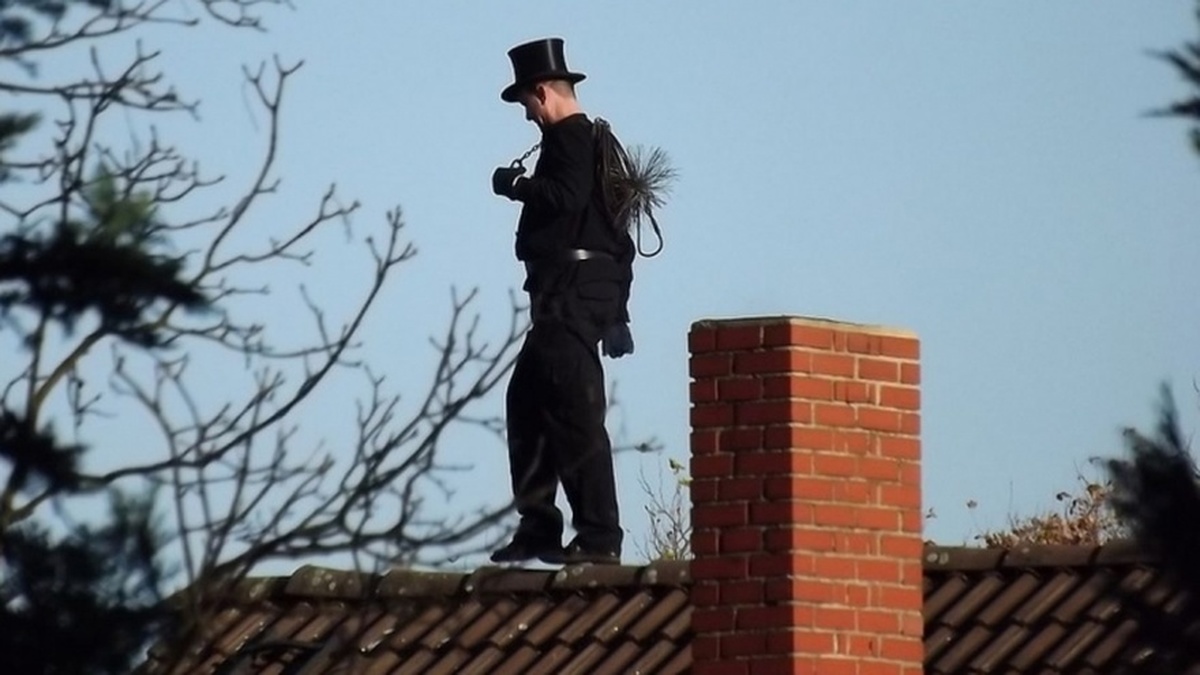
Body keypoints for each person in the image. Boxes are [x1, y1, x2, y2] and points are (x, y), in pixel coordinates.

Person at [489, 37, 635, 565]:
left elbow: (564, 199)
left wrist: (516, 185)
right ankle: (539, 527)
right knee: (527, 401)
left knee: (574, 412)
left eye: (526, 103)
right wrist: (617, 313)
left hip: (569, 297)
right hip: (573, 297)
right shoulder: (593, 143)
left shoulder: (570, 138)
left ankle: (598, 537)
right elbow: (619, 237)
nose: (528, 115)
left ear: (542, 92)